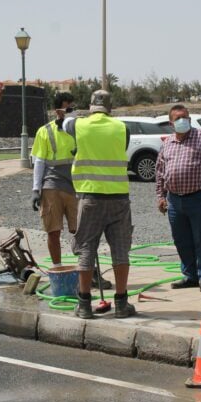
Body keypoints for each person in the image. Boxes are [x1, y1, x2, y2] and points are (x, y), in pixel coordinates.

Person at [64, 90, 135, 319]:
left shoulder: (78, 125)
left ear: (91, 106)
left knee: (86, 249)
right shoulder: (122, 128)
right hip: (118, 198)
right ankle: (122, 304)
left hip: (90, 197)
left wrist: (71, 112)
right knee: (120, 250)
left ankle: (84, 304)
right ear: (110, 108)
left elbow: (65, 122)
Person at [155, 104, 201, 293]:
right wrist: (161, 196)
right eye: (178, 118)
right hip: (174, 200)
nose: (183, 121)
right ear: (171, 123)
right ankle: (190, 276)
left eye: (185, 117)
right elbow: (160, 172)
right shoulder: (168, 143)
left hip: (198, 197)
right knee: (181, 240)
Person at [31, 92, 78, 269]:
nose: (71, 112)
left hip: (76, 187)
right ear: (57, 110)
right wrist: (36, 190)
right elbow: (39, 162)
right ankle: (58, 268)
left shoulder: (80, 129)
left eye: (72, 108)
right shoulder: (45, 132)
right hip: (52, 187)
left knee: (81, 230)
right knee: (53, 231)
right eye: (67, 108)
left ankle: (88, 269)